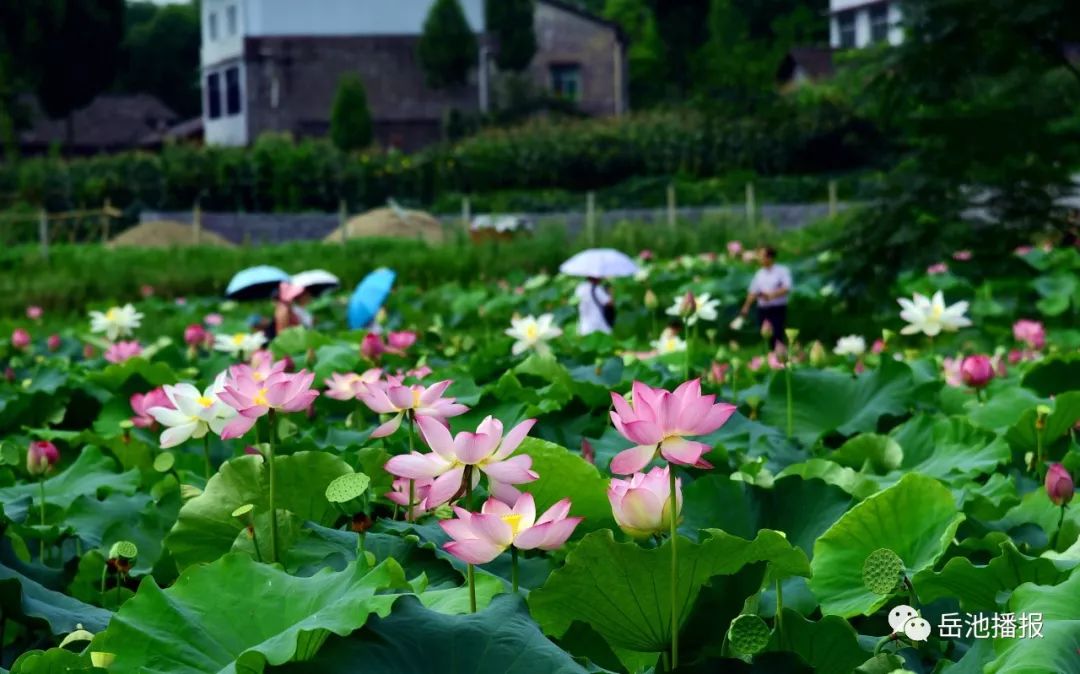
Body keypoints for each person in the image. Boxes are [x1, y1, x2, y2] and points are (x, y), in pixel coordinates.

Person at [739, 246, 792, 351]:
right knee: (765, 335)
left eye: (762, 256)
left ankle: (780, 357)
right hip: (763, 308)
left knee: (777, 333)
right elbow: (753, 292)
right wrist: (746, 307)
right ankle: (770, 356)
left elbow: (787, 288)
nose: (759, 259)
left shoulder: (782, 271)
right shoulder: (759, 273)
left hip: (777, 308)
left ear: (770, 258)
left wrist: (771, 295)